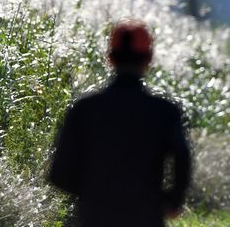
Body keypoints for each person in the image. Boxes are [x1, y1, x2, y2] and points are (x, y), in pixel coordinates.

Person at [48, 20, 191, 227]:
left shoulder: (83, 109)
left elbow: (59, 174)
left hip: (95, 217)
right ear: (149, 59)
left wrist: (92, 195)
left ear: (109, 58)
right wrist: (172, 201)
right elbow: (182, 160)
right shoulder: (164, 111)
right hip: (146, 217)